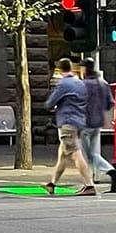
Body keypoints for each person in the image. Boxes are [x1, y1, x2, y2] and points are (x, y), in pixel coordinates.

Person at [43, 59, 96, 196]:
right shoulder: (80, 83)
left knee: (75, 153)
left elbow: (50, 103)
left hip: (67, 122)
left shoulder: (63, 84)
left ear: (59, 70)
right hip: (79, 121)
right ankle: (52, 184)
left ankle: (89, 185)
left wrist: (54, 105)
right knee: (63, 154)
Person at [79, 59, 116, 189]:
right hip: (98, 122)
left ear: (84, 69)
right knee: (94, 153)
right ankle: (109, 172)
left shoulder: (82, 84)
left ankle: (90, 182)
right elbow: (110, 103)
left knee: (86, 156)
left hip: (85, 122)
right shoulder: (103, 83)